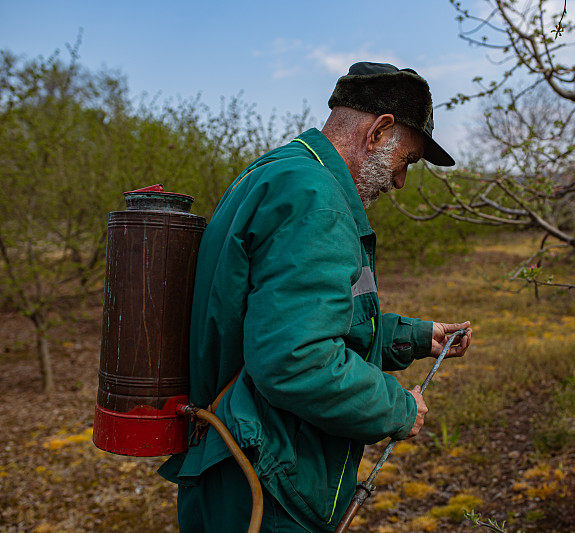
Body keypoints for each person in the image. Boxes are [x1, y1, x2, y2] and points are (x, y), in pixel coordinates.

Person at [159, 62, 473, 532]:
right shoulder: (316, 199)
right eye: (406, 160)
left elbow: (296, 322)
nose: (402, 180)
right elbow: (297, 357)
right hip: (269, 480)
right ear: (379, 131)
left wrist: (413, 336)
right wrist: (397, 407)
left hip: (236, 464)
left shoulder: (279, 173)